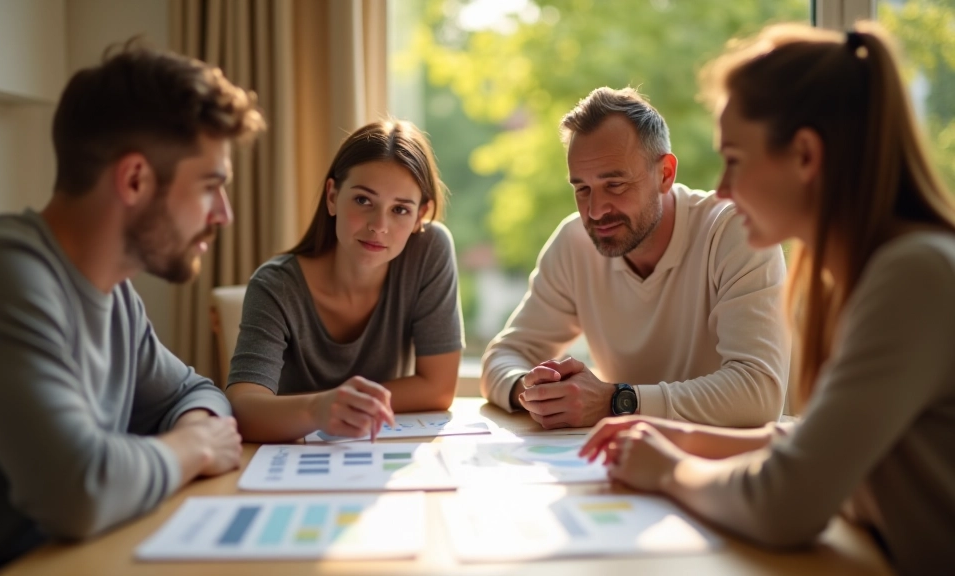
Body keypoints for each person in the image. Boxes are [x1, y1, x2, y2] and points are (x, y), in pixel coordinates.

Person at [581, 22, 955, 575]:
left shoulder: (914, 275)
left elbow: (785, 505)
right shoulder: (885, 270)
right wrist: (681, 435)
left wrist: (668, 470)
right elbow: (825, 440)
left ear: (805, 155)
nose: (724, 188)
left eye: (734, 158)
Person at [0, 42, 265, 575]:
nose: (223, 214)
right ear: (134, 179)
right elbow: (79, 490)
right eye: (210, 187)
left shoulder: (115, 295)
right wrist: (193, 448)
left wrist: (198, 429)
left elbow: (194, 392)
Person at [481, 86, 790, 429]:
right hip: (626, 460)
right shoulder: (574, 242)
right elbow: (503, 356)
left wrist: (616, 401)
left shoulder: (735, 231)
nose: (595, 211)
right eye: (582, 189)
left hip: (725, 465)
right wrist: (534, 390)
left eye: (615, 185)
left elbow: (759, 394)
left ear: (665, 175)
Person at [226, 120, 464, 443]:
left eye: (400, 210)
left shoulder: (429, 251)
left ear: (420, 216)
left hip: (375, 451)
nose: (379, 225)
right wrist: (320, 409)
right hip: (294, 456)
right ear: (332, 196)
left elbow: (438, 389)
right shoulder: (275, 286)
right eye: (364, 201)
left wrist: (340, 405)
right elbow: (243, 408)